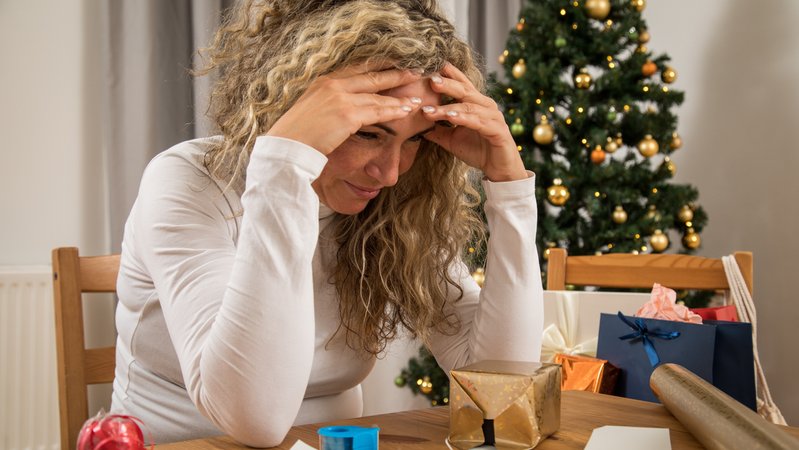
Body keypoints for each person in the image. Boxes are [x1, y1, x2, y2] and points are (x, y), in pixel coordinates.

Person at [111, 0, 543, 446]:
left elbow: (499, 387)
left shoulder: (397, 207)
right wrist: (284, 167)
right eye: (369, 133)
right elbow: (254, 419)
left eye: (413, 140)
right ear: (296, 104)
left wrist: (510, 190)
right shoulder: (191, 180)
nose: (390, 173)